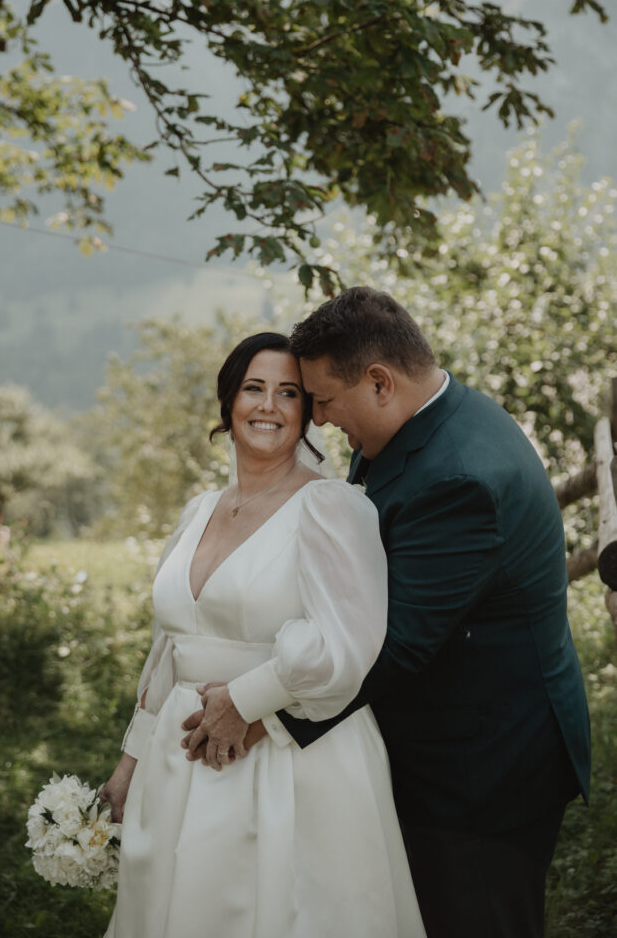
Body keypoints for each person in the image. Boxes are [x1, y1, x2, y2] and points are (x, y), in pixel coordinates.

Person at [184, 288, 591, 938]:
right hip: (453, 740)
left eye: (322, 399)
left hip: (480, 769)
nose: (315, 418)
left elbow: (398, 644)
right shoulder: (427, 420)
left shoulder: (458, 477)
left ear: (378, 381)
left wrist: (253, 705)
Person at [100, 331, 426, 938]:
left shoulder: (332, 508)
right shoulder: (197, 511)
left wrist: (246, 698)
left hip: (287, 761)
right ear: (228, 403)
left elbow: (347, 644)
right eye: (254, 389)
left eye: (288, 393)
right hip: (180, 761)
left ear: (307, 413)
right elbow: (168, 649)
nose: (269, 407)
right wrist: (128, 766)